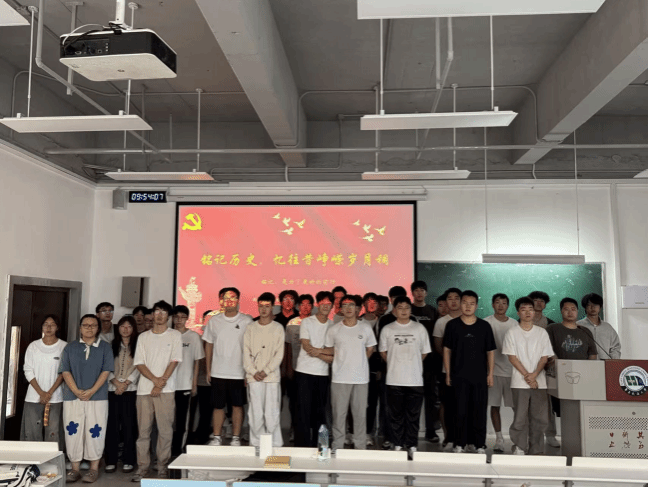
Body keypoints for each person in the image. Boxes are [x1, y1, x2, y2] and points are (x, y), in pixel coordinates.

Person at [132, 300, 183, 481]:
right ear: (152, 314)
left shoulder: (175, 335)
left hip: (166, 390)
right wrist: (155, 381)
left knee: (165, 430)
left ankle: (162, 466)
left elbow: (174, 361)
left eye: (163, 312)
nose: (159, 315)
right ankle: (142, 467)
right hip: (144, 391)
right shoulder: (143, 337)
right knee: (143, 431)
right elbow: (139, 363)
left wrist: (160, 384)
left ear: (168, 316)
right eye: (157, 311)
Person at [60, 314, 113, 484]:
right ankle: (75, 468)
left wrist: (91, 391)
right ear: (80, 328)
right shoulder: (70, 347)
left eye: (93, 325)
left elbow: (106, 371)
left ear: (98, 328)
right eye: (86, 325)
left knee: (96, 430)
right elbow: (65, 371)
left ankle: (93, 468)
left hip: (97, 397)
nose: (89, 328)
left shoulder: (105, 347)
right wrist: (76, 391)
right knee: (73, 431)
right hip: (72, 397)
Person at [443, 290, 495, 454]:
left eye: (472, 303)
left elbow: (490, 351)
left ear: (476, 306)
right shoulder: (452, 325)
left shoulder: (484, 326)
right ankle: (459, 443)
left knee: (479, 410)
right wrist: (448, 373)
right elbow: (447, 350)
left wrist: (490, 374)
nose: (468, 306)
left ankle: (479, 444)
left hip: (480, 376)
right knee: (459, 410)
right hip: (458, 375)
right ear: (460, 304)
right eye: (465, 302)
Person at [379, 296, 431, 456]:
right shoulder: (387, 329)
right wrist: (395, 362)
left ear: (411, 310)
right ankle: (398, 443)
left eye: (407, 307)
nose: (403, 311)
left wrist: (411, 363)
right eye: (400, 308)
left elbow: (424, 352)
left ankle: (412, 444)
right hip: (394, 379)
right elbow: (383, 352)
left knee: (413, 415)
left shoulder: (419, 329)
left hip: (415, 380)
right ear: (394, 311)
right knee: (395, 415)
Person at [502, 297, 554, 455]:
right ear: (518, 313)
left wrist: (535, 375)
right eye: (523, 309)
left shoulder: (542, 332)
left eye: (530, 309)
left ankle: (536, 449)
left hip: (540, 383)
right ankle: (519, 446)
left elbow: (545, 357)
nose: (527, 312)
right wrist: (528, 376)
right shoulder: (512, 332)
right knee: (520, 417)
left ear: (534, 312)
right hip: (519, 383)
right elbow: (512, 357)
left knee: (540, 418)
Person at [324, 294, 376, 451]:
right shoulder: (334, 329)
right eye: (344, 305)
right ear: (340, 309)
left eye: (351, 305)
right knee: (339, 414)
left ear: (358, 308)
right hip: (340, 378)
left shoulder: (365, 328)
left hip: (361, 378)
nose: (348, 308)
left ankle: (360, 446)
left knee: (360, 415)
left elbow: (370, 348)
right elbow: (329, 350)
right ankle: (337, 446)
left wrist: (359, 361)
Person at [545, 298, 598, 449]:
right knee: (554, 407)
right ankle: (551, 435)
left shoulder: (585, 331)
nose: (570, 312)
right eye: (566, 309)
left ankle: (581, 437)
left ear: (578, 312)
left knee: (578, 408)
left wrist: (589, 370)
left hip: (581, 377)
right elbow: (547, 349)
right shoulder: (552, 328)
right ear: (561, 311)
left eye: (573, 309)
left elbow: (592, 354)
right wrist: (558, 365)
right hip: (558, 375)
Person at [203, 287, 252, 447]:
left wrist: (248, 371)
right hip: (218, 371)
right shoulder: (214, 321)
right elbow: (209, 345)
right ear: (220, 301)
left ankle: (236, 437)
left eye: (233, 297)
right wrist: (208, 369)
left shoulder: (246, 321)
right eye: (226, 298)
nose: (229, 301)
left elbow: (251, 346)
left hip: (239, 372)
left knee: (237, 405)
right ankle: (217, 437)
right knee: (218, 406)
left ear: (238, 300)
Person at [243, 293, 285, 447]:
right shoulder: (250, 328)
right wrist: (253, 371)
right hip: (254, 377)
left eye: (267, 306)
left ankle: (274, 444)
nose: (264, 309)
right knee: (255, 412)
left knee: (271, 411)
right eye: (261, 306)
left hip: (271, 377)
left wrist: (266, 371)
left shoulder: (278, 328)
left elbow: (279, 354)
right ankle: (256, 444)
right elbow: (245, 352)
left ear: (272, 307)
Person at [294, 291, 334, 447]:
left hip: (322, 374)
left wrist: (319, 353)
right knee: (302, 412)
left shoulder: (333, 325)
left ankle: (321, 446)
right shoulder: (307, 322)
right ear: (317, 304)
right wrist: (324, 355)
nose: (325, 306)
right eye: (322, 303)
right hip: (304, 372)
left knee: (321, 412)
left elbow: (333, 352)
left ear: (332, 306)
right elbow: (306, 346)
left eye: (328, 304)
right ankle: (302, 446)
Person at [21, 315, 66, 450]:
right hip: (34, 396)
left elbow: (64, 372)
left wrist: (49, 393)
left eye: (52, 324)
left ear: (57, 327)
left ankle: (52, 460)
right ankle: (32, 459)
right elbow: (28, 370)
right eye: (46, 324)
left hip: (56, 397)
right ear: (42, 327)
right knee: (32, 432)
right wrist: (41, 393)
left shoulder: (64, 346)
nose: (48, 327)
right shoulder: (33, 346)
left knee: (53, 433)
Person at [105, 316, 140, 474]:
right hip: (112, 390)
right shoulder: (110, 345)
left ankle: (128, 460)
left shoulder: (138, 346)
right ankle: (111, 460)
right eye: (122, 326)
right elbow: (105, 366)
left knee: (129, 426)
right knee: (111, 426)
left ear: (133, 329)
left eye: (129, 326)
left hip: (130, 390)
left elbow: (140, 366)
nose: (125, 329)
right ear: (118, 328)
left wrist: (126, 383)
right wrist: (115, 382)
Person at [484, 293, 517, 453]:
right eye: (497, 302)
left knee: (516, 407)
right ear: (492, 304)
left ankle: (517, 438)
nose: (501, 305)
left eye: (504, 303)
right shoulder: (486, 322)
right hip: (494, 372)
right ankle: (499, 439)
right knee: (494, 405)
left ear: (508, 306)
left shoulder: (514, 324)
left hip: (512, 372)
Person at [171, 305, 204, 457]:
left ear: (187, 319)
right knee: (168, 421)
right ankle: (166, 450)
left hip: (185, 384)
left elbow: (197, 362)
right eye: (176, 317)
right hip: (167, 386)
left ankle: (178, 451)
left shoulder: (194, 337)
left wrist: (194, 384)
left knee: (182, 420)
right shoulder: (168, 335)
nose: (179, 320)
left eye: (182, 317)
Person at [410, 280, 440, 443]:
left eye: (422, 290)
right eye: (416, 290)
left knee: (431, 398)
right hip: (410, 361)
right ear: (412, 293)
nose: (419, 293)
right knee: (411, 398)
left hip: (430, 361)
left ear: (426, 293)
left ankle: (431, 431)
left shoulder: (432, 311)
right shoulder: (408, 309)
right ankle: (411, 432)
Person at [432, 288, 462, 450]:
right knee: (446, 404)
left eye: (457, 298)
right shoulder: (441, 322)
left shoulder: (470, 319)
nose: (453, 301)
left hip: (467, 371)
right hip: (447, 370)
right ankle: (447, 436)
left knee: (465, 404)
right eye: (450, 298)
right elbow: (438, 347)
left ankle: (463, 438)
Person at [360, 292, 380, 446]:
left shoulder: (382, 321)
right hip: (358, 366)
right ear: (363, 305)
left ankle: (368, 433)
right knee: (358, 402)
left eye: (374, 302)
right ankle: (355, 432)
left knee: (372, 402)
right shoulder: (358, 321)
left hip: (375, 366)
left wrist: (380, 368)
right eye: (368, 301)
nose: (371, 304)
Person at [577, 293, 621, 359]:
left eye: (596, 304)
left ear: (600, 307)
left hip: (605, 363)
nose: (593, 307)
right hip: (584, 363)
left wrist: (612, 361)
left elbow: (615, 347)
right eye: (589, 305)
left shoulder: (608, 327)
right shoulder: (578, 326)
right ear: (585, 307)